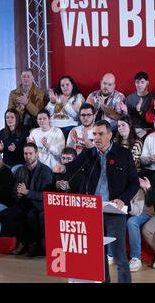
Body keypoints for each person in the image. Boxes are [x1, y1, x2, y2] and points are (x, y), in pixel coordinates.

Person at [53, 120, 139, 283]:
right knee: (98, 256)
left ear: (110, 135)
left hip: (114, 210)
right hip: (92, 210)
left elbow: (134, 183)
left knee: (120, 255)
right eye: (94, 134)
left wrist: (122, 199)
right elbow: (72, 166)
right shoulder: (88, 154)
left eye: (100, 134)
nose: (96, 138)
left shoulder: (123, 154)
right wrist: (62, 168)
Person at [0, 143, 53, 257]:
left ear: (36, 154)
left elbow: (46, 196)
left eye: (30, 153)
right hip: (24, 202)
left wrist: (27, 192)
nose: (28, 156)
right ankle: (23, 242)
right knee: (4, 215)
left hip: (38, 204)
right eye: (25, 153)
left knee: (30, 216)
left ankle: (35, 245)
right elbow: (14, 190)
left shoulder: (45, 170)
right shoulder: (21, 170)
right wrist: (18, 195)